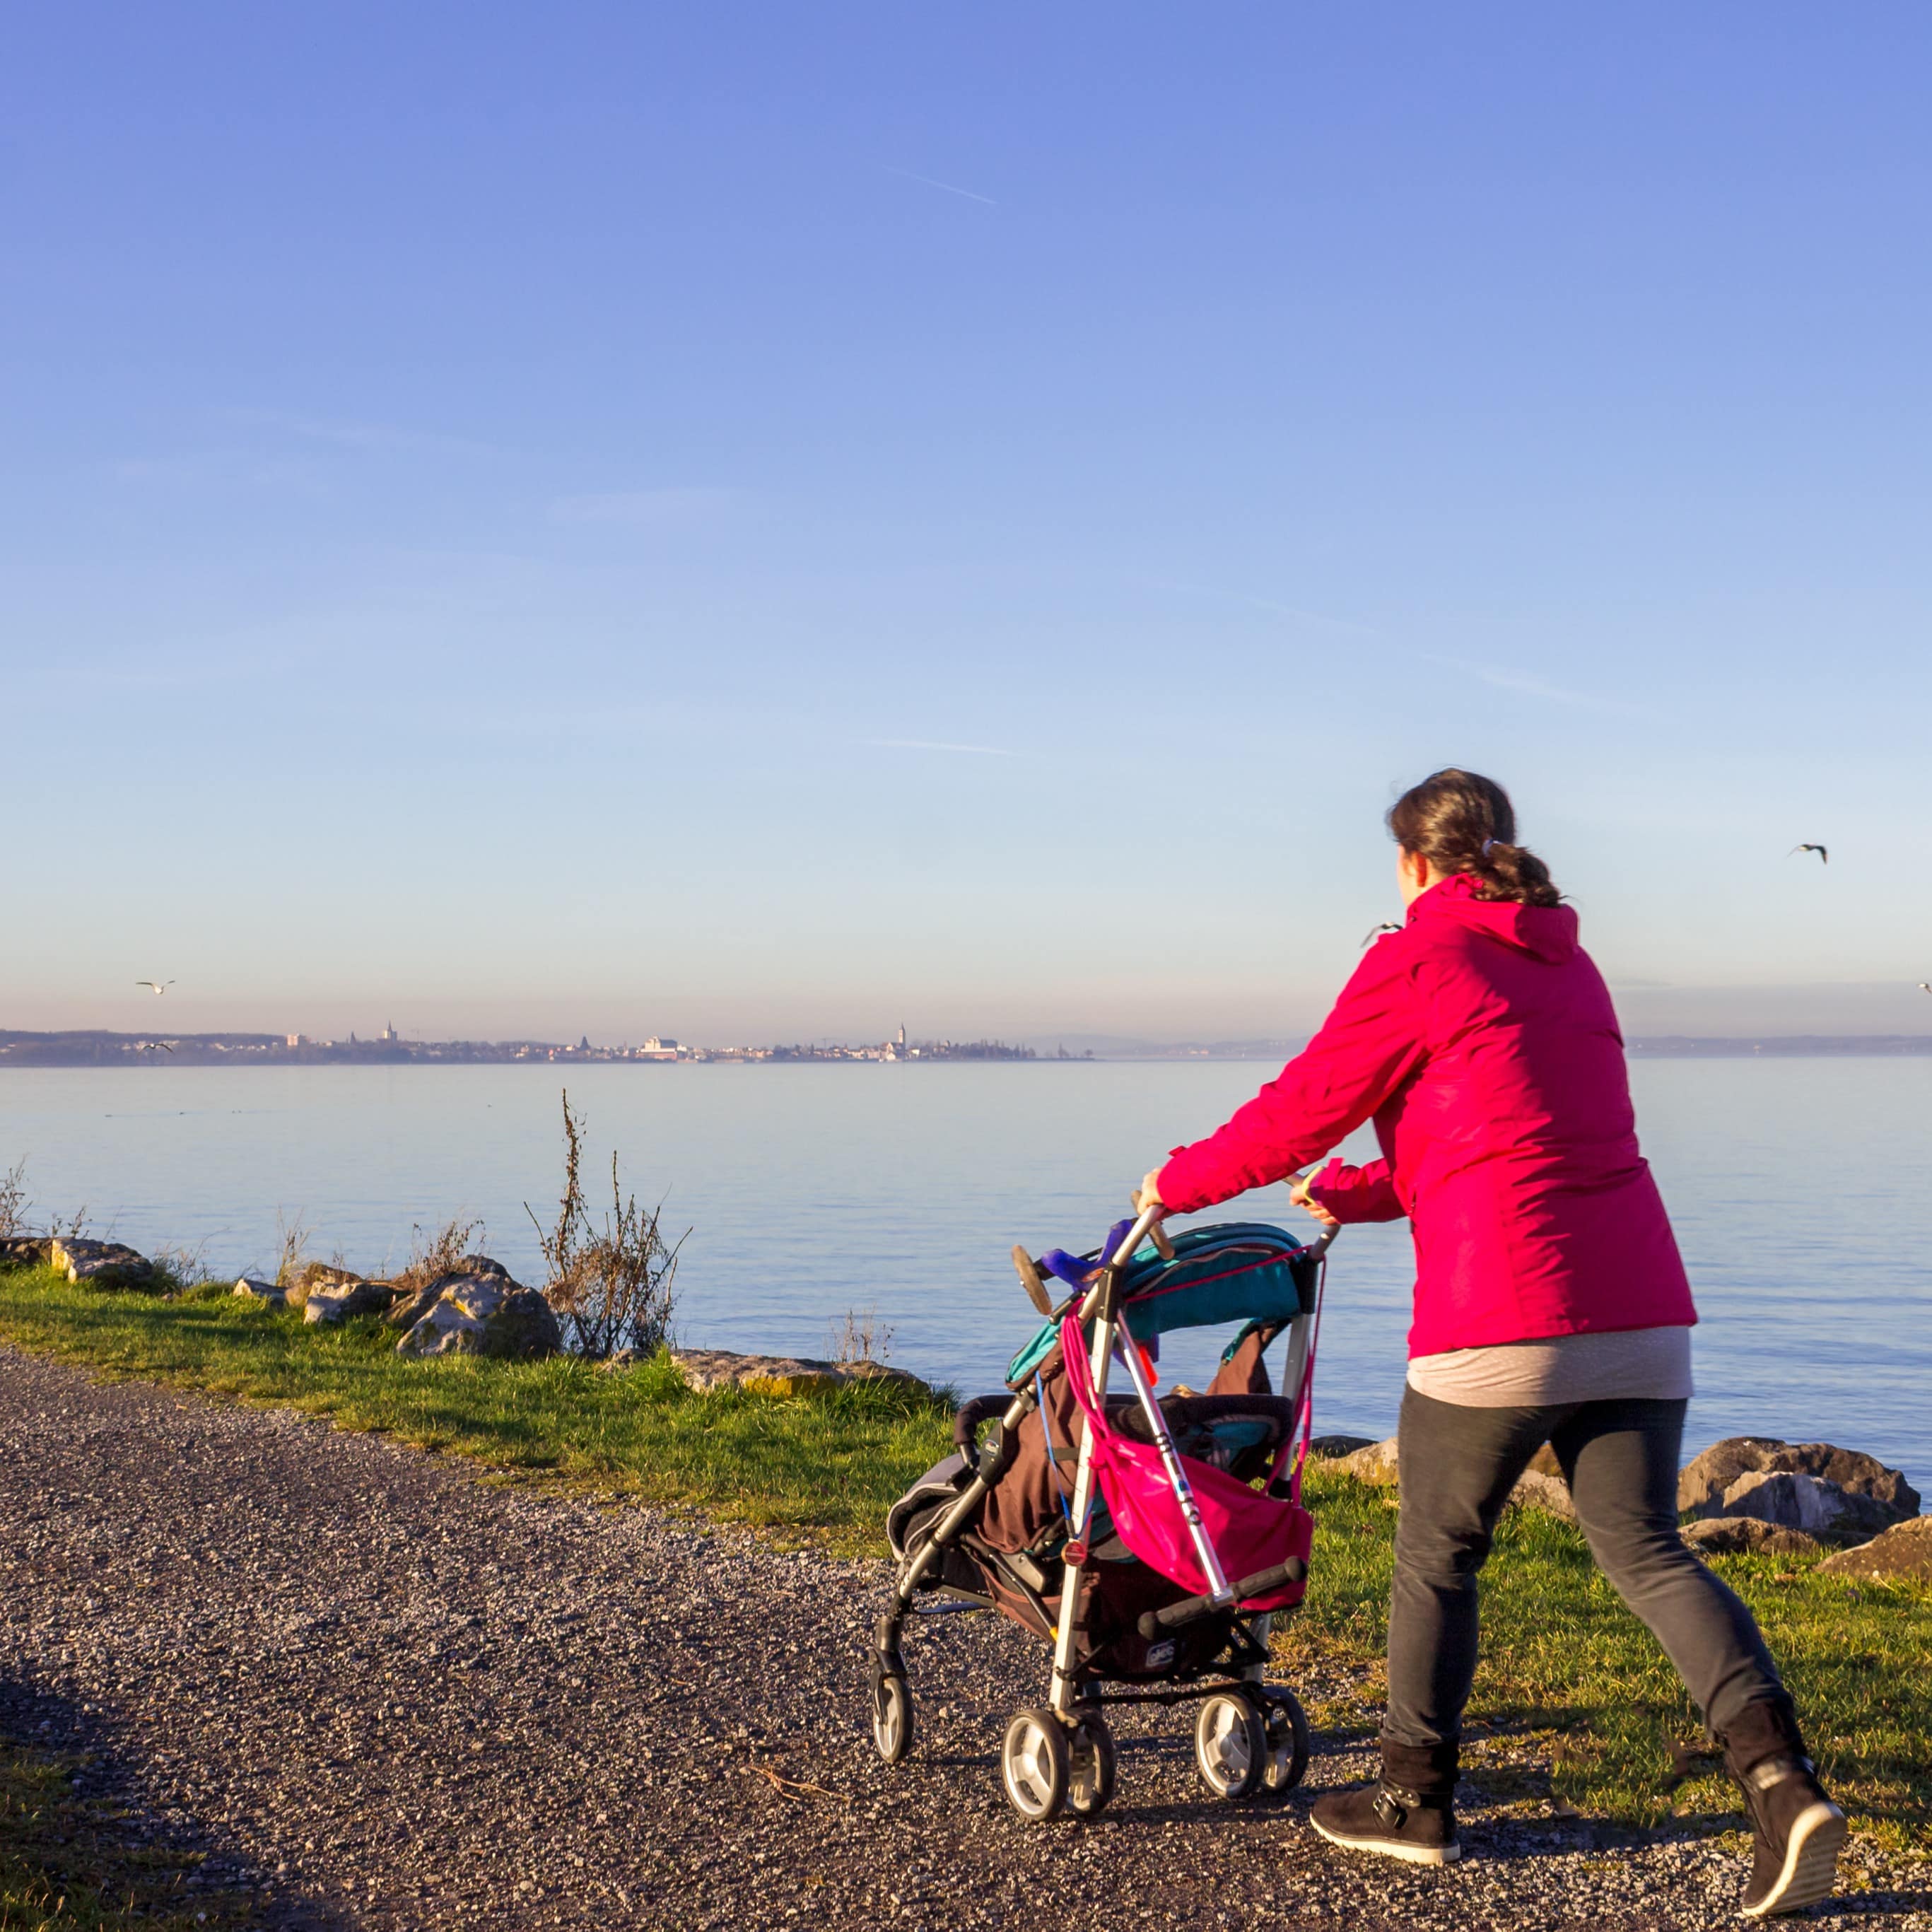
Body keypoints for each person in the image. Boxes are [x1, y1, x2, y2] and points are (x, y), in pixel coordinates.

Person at [1137, 768, 1844, 1920]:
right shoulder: (1566, 959)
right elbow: (1505, 1137)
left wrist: (1176, 1180)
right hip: (1640, 1311)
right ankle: (1780, 1783)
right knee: (1649, 1551)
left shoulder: (1416, 954)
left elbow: (1299, 1107)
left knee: (1438, 1553)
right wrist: (1359, 1195)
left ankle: (1414, 1801)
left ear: (1416, 865)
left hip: (1502, 1317)